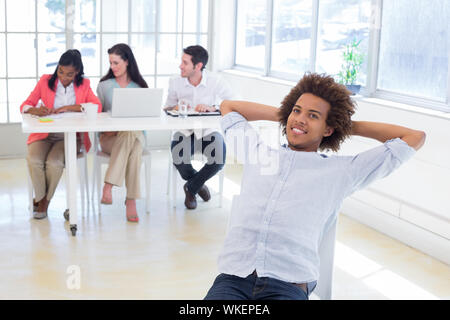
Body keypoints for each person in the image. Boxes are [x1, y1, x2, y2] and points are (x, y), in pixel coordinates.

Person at [204, 73, 426, 300]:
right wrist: (286, 116)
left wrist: (344, 126)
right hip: (233, 279)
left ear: (328, 129)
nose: (300, 119)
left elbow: (413, 137)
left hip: (286, 284)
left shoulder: (341, 172)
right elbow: (228, 107)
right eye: (297, 110)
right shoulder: (257, 153)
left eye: (313, 115)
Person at [21, 49, 102, 219]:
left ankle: (44, 203)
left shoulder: (84, 84)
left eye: (69, 74)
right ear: (57, 68)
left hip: (69, 136)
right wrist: (37, 109)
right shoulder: (45, 81)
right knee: (34, 160)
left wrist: (68, 107)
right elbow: (25, 105)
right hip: (44, 134)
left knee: (54, 163)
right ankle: (42, 197)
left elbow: (97, 106)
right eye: (60, 71)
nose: (64, 77)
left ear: (77, 72)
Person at [165, 45, 233, 210]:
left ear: (198, 66)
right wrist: (177, 107)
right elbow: (167, 107)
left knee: (218, 160)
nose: (180, 66)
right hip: (184, 132)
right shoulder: (175, 82)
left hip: (209, 132)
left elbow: (234, 101)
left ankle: (190, 188)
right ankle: (197, 184)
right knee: (179, 159)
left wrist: (213, 107)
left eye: (185, 63)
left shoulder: (215, 81)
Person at [96, 43, 149, 222]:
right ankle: (131, 200)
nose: (113, 67)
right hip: (109, 138)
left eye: (116, 63)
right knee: (133, 146)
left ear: (127, 62)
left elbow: (144, 119)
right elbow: (98, 116)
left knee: (131, 137)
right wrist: (108, 130)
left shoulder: (140, 86)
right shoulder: (104, 86)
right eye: (111, 63)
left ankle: (108, 185)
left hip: (135, 136)